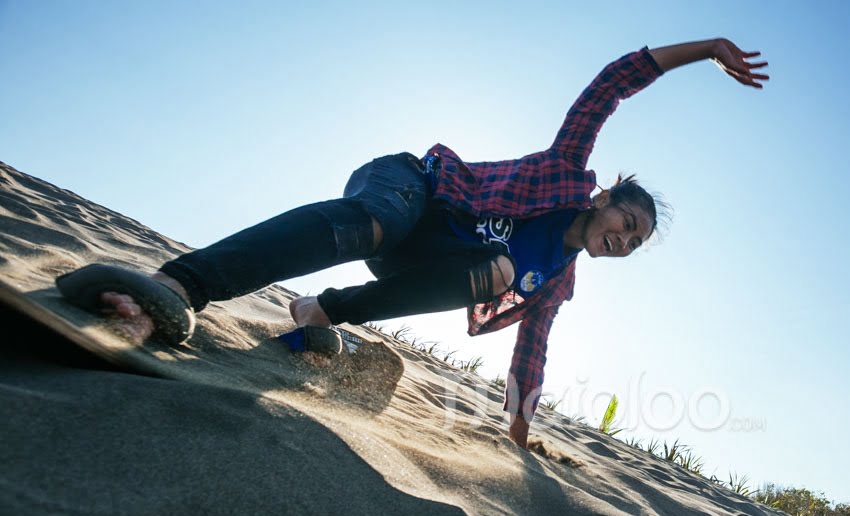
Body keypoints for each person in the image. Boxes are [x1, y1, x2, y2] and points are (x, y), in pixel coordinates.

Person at [65, 38, 768, 448]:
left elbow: (531, 356)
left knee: (494, 272)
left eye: (637, 244)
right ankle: (181, 286)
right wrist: (705, 50)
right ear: (604, 198)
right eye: (628, 223)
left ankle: (320, 312)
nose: (625, 240)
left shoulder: (556, 280)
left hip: (416, 262)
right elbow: (607, 87)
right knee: (377, 225)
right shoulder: (563, 173)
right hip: (409, 189)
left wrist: (518, 442)